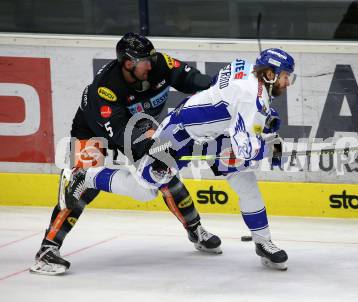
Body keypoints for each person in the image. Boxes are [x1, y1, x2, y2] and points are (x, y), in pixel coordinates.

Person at [65, 48, 295, 270]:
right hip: (180, 133)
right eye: (285, 77)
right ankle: (87, 176)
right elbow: (244, 148)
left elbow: (226, 94)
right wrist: (269, 147)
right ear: (269, 74)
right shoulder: (251, 97)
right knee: (145, 190)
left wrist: (264, 128)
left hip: (215, 134)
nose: (287, 83)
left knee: (246, 183)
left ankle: (263, 242)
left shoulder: (246, 68)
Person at [30, 33, 221, 276]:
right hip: (93, 128)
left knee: (164, 174)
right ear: (128, 62)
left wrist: (222, 91)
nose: (150, 65)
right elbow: (122, 135)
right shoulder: (105, 90)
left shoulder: (158, 63)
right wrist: (154, 144)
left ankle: (196, 231)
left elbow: (195, 80)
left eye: (151, 58)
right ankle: (48, 250)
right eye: (144, 61)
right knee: (81, 185)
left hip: (139, 126)